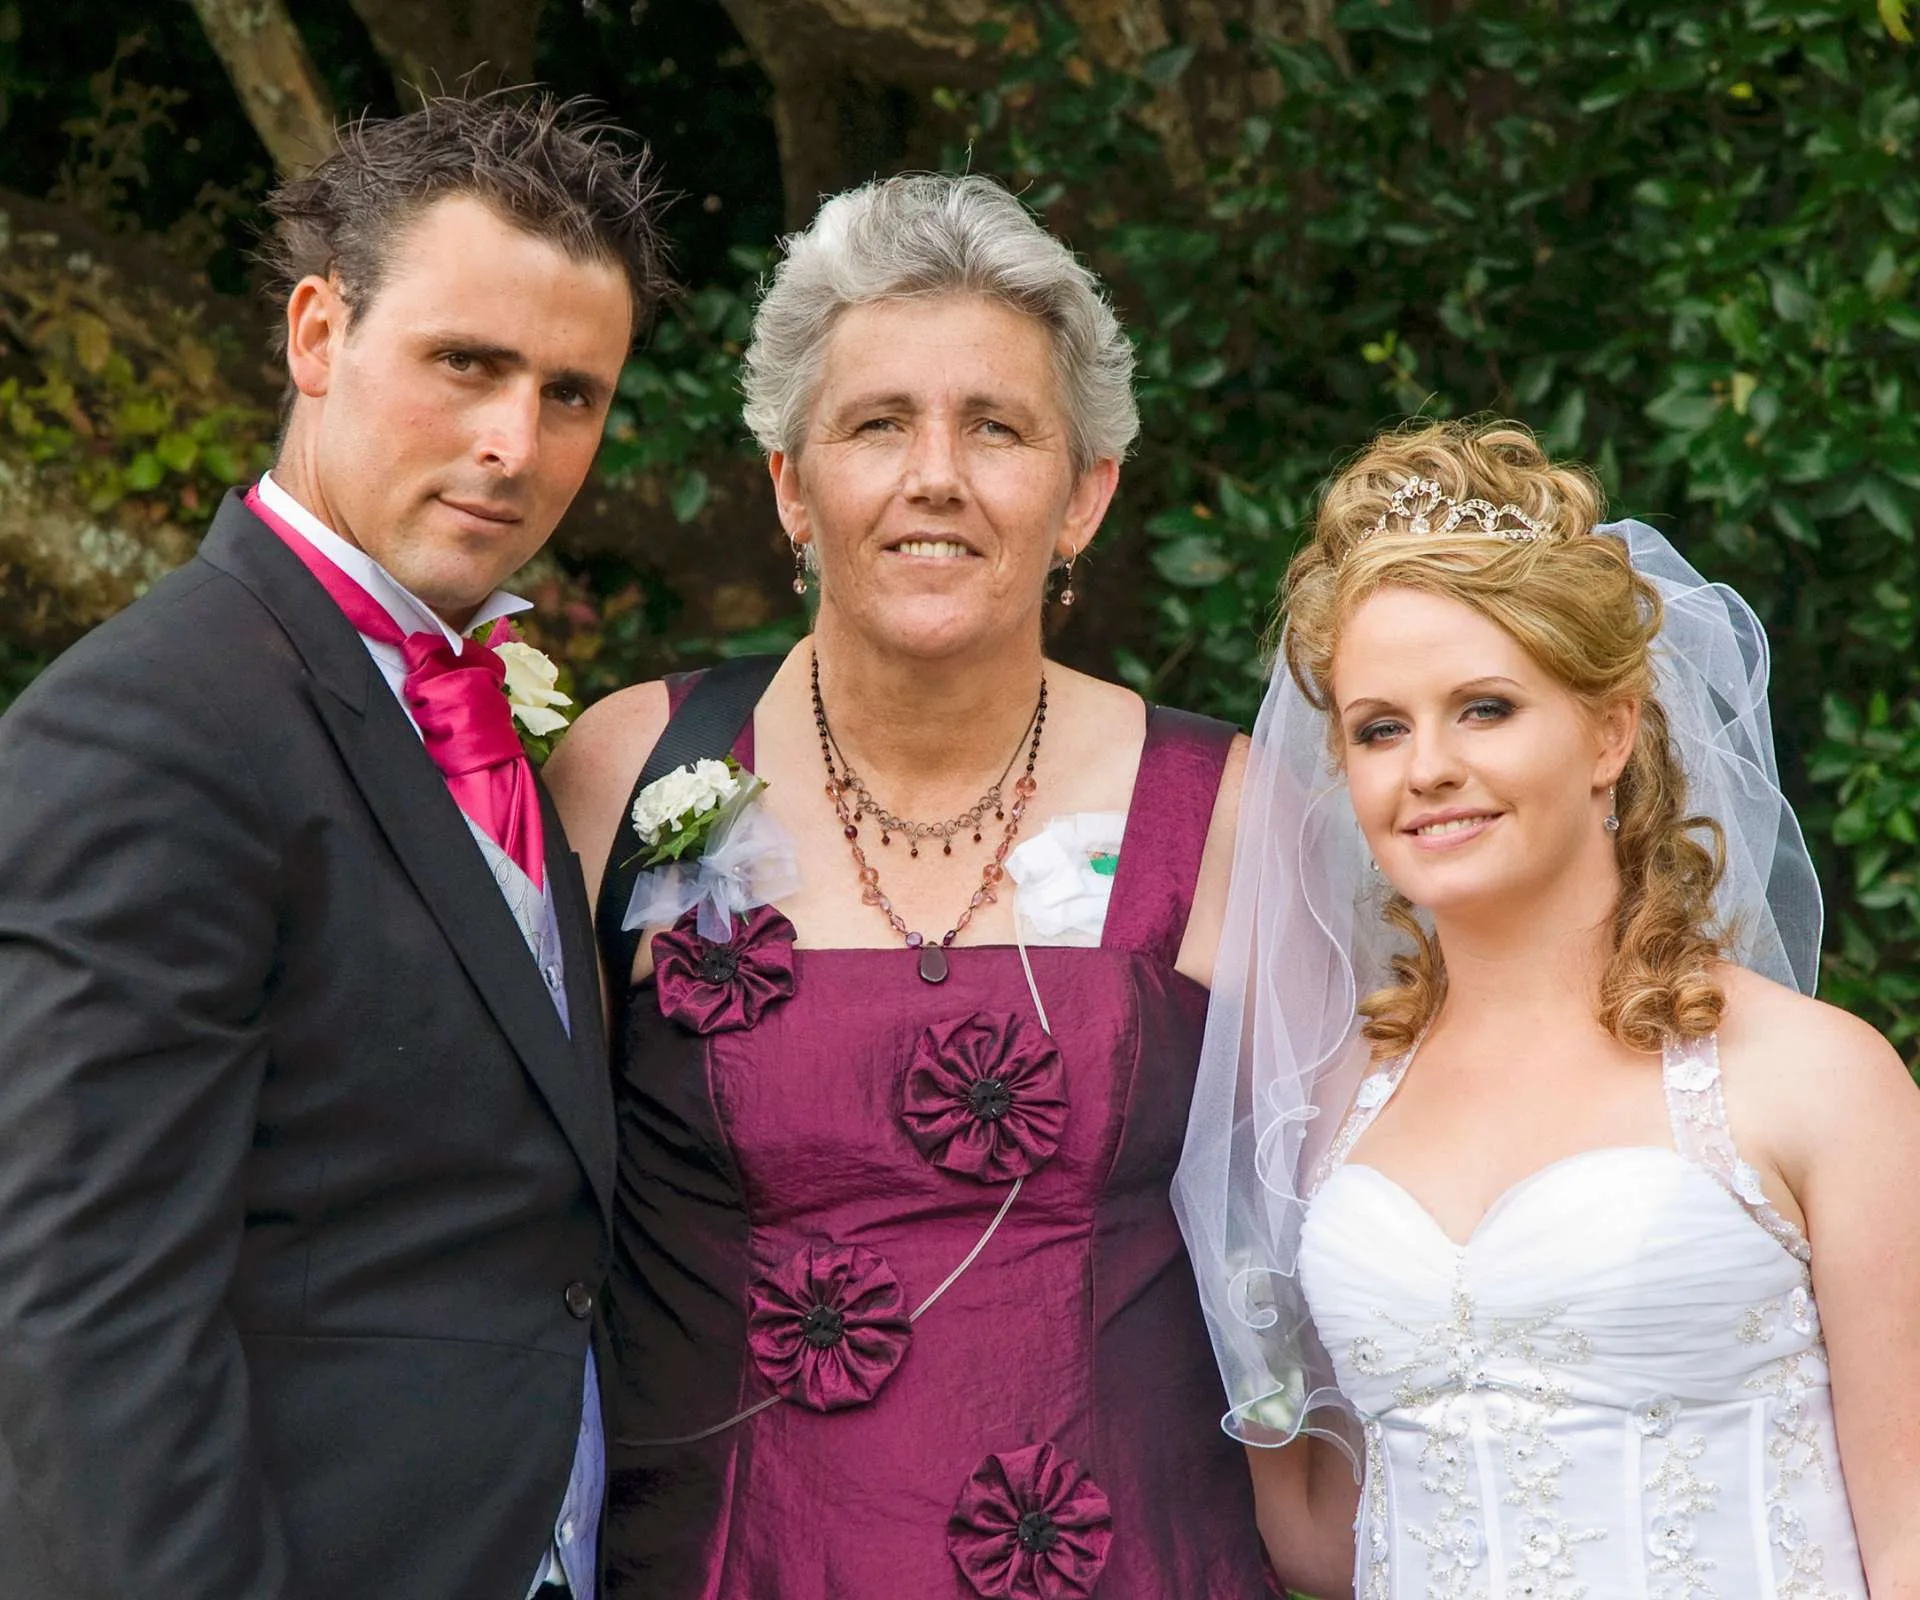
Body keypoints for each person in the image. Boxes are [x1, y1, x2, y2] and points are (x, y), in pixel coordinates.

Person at [546, 173, 1271, 1597]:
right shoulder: (624, 773)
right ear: (790, 487)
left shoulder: (1231, 809)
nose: (935, 474)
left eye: (996, 428)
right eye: (879, 424)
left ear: (1086, 495)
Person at [0, 92, 665, 1598]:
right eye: (466, 365)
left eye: (572, 392)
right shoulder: (148, 727)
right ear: (316, 335)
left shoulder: (469, 710)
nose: (515, 443)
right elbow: (85, 1323)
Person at [1173, 420, 1920, 1598]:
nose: (1426, 767)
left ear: (1610, 730)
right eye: (1380, 728)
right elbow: (1331, 1541)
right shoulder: (1335, 1102)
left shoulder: (1817, 1078)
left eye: (1484, 708)